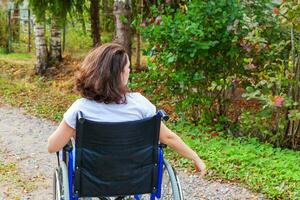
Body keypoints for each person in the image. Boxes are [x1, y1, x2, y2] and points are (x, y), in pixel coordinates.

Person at [47, 43, 206, 177]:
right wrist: (195, 157)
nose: (129, 71)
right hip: (135, 177)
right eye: (128, 67)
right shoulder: (140, 104)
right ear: (120, 74)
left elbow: (52, 146)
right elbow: (168, 138)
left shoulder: (80, 110)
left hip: (92, 178)